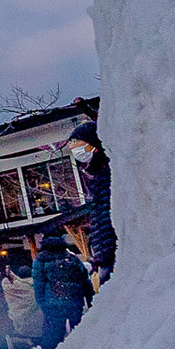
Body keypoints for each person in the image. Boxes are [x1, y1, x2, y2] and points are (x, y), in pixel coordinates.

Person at [68, 118, 115, 279]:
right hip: (106, 257)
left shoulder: (107, 174)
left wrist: (105, 256)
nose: (75, 150)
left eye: (79, 145)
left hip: (113, 257)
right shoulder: (97, 178)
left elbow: (108, 220)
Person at [33, 234, 95, 349]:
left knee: (53, 336)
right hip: (75, 301)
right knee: (78, 332)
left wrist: (42, 304)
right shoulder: (72, 258)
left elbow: (38, 284)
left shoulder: (40, 259)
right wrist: (90, 300)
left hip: (53, 304)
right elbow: (85, 280)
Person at [3, 262, 45, 348]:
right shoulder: (38, 286)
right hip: (40, 328)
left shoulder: (12, 288)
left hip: (21, 328)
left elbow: (5, 282)